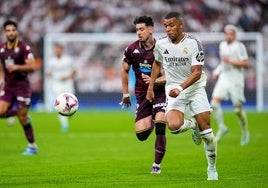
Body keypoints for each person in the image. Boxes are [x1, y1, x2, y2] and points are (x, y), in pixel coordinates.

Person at [146, 12, 218, 180]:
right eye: (165, 26)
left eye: (171, 25)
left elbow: (197, 72)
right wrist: (151, 87)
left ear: (180, 25)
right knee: (174, 126)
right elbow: (157, 63)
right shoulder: (161, 44)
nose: (168, 29)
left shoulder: (193, 43)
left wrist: (180, 87)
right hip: (173, 90)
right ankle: (193, 125)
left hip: (195, 89)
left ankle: (212, 169)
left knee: (207, 135)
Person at [120, 16, 167, 174]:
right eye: (137, 30)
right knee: (141, 135)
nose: (138, 33)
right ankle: (154, 118)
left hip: (160, 93)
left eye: (141, 29)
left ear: (151, 29)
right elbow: (124, 70)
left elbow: (168, 76)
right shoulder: (132, 49)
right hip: (141, 95)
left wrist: (154, 82)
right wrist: (126, 93)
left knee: (161, 125)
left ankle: (156, 165)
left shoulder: (161, 48)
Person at [0, 20, 38, 155]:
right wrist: (1, 79)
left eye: (13, 30)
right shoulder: (1, 49)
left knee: (23, 119)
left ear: (16, 32)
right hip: (9, 86)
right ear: (5, 32)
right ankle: (19, 113)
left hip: (22, 86)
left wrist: (17, 67)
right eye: (8, 30)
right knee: (1, 112)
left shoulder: (23, 48)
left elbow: (32, 66)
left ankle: (32, 146)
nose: (11, 33)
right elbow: (1, 66)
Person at [210, 24, 250, 146]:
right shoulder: (222, 45)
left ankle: (245, 131)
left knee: (237, 110)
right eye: (226, 34)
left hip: (236, 80)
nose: (228, 36)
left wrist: (231, 61)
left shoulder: (240, 46)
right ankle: (222, 128)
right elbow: (223, 63)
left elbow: (245, 63)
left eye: (231, 34)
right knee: (214, 103)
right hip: (224, 78)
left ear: (235, 35)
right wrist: (217, 71)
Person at [46, 43, 76, 132]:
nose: (57, 51)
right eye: (56, 49)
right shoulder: (51, 61)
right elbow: (48, 73)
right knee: (60, 105)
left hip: (68, 84)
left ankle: (70, 112)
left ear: (62, 50)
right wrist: (54, 76)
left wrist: (67, 77)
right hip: (56, 85)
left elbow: (74, 71)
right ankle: (64, 125)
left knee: (70, 104)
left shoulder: (68, 60)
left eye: (59, 49)